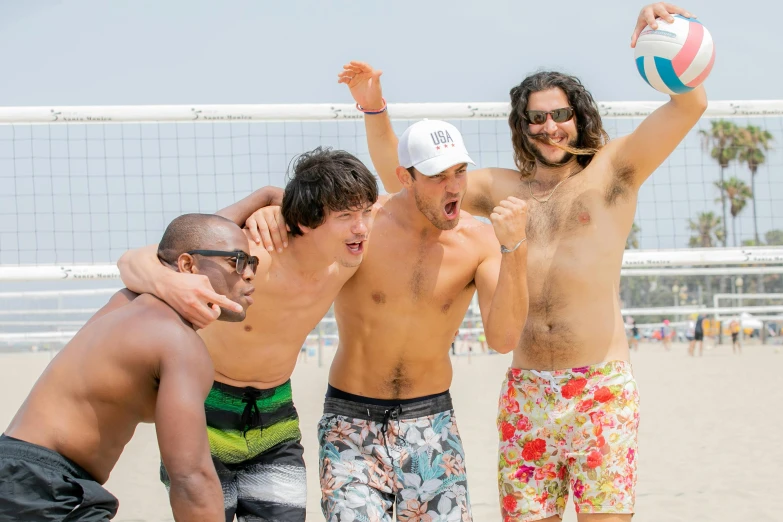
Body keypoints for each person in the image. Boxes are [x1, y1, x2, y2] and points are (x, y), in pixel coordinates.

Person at [339, 3, 706, 519]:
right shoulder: (500, 189)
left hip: (599, 387)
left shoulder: (616, 170)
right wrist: (375, 111)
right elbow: (402, 174)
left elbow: (688, 106)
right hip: (527, 389)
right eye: (537, 117)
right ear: (521, 124)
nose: (550, 127)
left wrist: (666, 33)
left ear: (579, 117)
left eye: (561, 114)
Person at [248, 120, 529, 520]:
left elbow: (503, 339)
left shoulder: (480, 241)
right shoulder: (363, 227)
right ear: (405, 177)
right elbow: (307, 223)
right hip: (350, 423)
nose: (453, 187)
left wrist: (514, 248)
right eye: (436, 176)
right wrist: (269, 209)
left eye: (460, 172)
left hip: (431, 426)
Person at [116, 148, 378, 522]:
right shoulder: (256, 256)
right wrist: (262, 197)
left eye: (366, 212)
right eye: (346, 217)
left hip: (275, 414)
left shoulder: (351, 257)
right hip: (204, 408)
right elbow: (145, 257)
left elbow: (411, 202)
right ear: (305, 221)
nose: (362, 227)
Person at [0, 213, 258, 521]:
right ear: (188, 266)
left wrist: (265, 195)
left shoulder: (124, 302)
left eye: (253, 263)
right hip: (44, 489)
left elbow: (186, 236)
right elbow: (191, 478)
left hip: (20, 472)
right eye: (237, 261)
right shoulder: (178, 342)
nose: (250, 274)